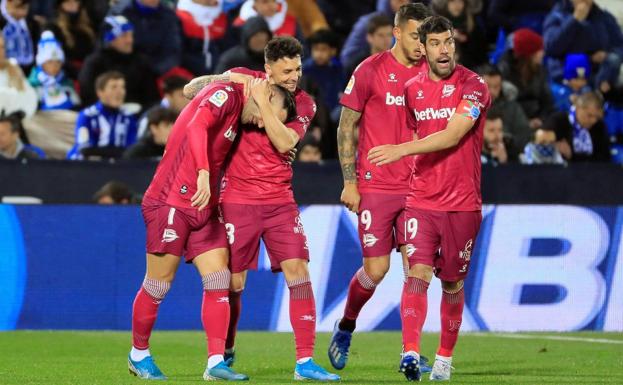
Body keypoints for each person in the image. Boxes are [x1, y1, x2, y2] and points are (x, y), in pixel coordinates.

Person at [183, 36, 340, 382]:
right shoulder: (244, 79)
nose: (293, 77)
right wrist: (229, 80)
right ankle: (224, 351)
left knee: (298, 270)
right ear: (268, 68)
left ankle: (304, 363)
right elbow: (191, 90)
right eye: (286, 71)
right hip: (237, 199)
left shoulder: (305, 103)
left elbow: (285, 141)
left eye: (297, 69)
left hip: (280, 200)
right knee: (234, 282)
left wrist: (263, 101)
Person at [128, 77, 296, 381]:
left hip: (205, 205)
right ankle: (138, 354)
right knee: (158, 283)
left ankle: (215, 363)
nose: (263, 122)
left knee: (220, 277)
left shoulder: (240, 115)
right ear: (265, 91)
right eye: (267, 113)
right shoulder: (226, 95)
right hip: (171, 200)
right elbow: (196, 125)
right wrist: (204, 173)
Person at [367, 15, 491, 381]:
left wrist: (400, 150)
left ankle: (444, 358)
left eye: (449, 42)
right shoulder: (412, 89)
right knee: (416, 274)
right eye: (435, 43)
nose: (444, 50)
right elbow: (421, 135)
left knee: (452, 283)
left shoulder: (474, 86)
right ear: (422, 47)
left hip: (462, 203)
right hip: (421, 200)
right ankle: (409, 352)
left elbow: (453, 135)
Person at [328, 2, 433, 373]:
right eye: (417, 35)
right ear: (398, 31)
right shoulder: (370, 70)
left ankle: (410, 351)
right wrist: (350, 182)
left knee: (418, 270)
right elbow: (346, 127)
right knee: (375, 270)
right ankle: (346, 324)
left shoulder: (433, 75)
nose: (423, 44)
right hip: (375, 185)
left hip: (419, 188)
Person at [78, 15, 159, 108]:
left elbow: (152, 96)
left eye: (131, 35)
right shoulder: (94, 63)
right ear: (110, 39)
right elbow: (87, 94)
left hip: (138, 114)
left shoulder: (141, 61)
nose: (130, 40)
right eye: (124, 36)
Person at [543, 0, 623, 94]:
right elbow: (552, 48)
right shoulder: (557, 17)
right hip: (569, 80)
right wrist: (574, 21)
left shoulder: (604, 17)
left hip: (602, 79)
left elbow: (619, 46)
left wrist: (607, 55)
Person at [67, 71, 138, 159]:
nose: (120, 92)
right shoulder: (87, 115)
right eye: (114, 87)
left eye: (122, 87)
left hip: (118, 167)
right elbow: (85, 150)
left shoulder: (129, 117)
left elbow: (132, 151)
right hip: (88, 166)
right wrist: (117, 152)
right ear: (100, 92)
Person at [498, 28, 555, 131]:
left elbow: (547, 102)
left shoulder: (539, 70)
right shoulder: (504, 71)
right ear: (530, 54)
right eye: (539, 50)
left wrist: (541, 119)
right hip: (514, 125)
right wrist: (525, 123)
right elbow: (505, 107)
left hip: (538, 121)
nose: (543, 53)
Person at [120, 0, 181, 76]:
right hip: (127, 68)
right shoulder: (122, 12)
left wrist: (156, 71)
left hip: (158, 72)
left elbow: (173, 51)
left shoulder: (169, 16)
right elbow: (114, 46)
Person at [480, 64, 530, 153]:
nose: (491, 91)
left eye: (496, 87)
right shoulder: (466, 108)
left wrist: (508, 142)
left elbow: (524, 136)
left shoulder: (512, 108)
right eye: (487, 86)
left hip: (509, 159)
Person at [549, 91, 611, 162]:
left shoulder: (600, 126)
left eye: (597, 117)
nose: (593, 121)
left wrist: (572, 156)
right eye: (589, 115)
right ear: (578, 108)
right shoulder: (558, 121)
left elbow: (604, 159)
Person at [28, 31, 80, 110]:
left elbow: (77, 104)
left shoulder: (66, 83)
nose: (54, 66)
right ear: (41, 64)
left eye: (58, 62)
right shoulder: (32, 85)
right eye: (50, 62)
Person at [45, 0, 96, 79]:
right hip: (64, 75)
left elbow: (93, 52)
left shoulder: (87, 29)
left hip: (88, 72)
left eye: (76, 2)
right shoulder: (53, 28)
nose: (73, 5)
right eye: (68, 3)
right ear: (61, 6)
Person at [430, 0, 487, 70]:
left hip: (470, 67)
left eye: (460, 1)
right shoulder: (436, 23)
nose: (456, 5)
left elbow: (480, 52)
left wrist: (466, 40)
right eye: (453, 1)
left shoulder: (473, 23)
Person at [302, 29, 344, 116]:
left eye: (323, 49)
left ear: (333, 51)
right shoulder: (305, 69)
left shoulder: (338, 68)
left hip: (333, 111)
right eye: (316, 49)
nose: (319, 54)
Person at [344, 14, 394, 79]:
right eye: (381, 35)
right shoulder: (358, 64)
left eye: (389, 35)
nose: (386, 39)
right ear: (369, 37)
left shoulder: (400, 61)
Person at [0, 34, 38, 117]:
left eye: (2, 47)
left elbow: (31, 99)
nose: (1, 51)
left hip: (17, 122)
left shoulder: (12, 66)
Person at [0, 0, 41, 74]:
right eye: (17, 7)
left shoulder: (32, 23)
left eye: (25, 8)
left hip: (29, 70)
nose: (22, 13)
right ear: (8, 2)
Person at [233, 0, 297, 37]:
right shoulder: (240, 25)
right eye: (265, 2)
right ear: (254, 4)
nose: (272, 6)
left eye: (274, 1)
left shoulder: (288, 18)